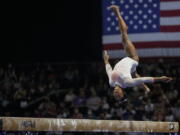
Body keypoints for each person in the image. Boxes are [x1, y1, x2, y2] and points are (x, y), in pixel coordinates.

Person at [103, 5, 172, 101]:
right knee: (124, 34)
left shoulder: (111, 82)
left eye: (115, 97)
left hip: (129, 67)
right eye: (119, 96)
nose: (116, 94)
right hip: (132, 58)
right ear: (123, 93)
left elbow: (109, 71)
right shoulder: (127, 83)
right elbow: (145, 79)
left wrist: (106, 60)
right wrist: (160, 79)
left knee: (135, 74)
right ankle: (117, 11)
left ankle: (145, 88)